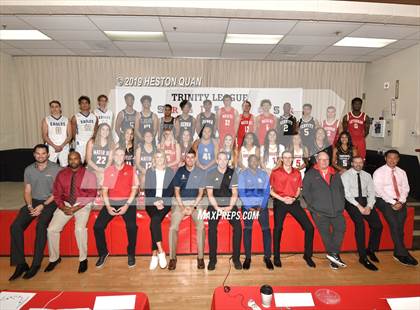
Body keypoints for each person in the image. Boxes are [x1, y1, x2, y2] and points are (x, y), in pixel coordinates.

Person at [9, 144, 61, 281]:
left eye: (43, 153)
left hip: (50, 202)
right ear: (34, 155)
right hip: (34, 201)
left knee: (41, 225)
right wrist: (30, 205)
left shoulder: (56, 169)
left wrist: (43, 206)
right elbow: (27, 191)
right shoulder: (29, 170)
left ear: (48, 155)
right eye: (38, 153)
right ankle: (21, 263)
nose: (41, 156)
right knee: (15, 227)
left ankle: (36, 263)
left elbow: (57, 193)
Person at [46, 151, 96, 274]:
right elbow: (57, 193)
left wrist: (76, 208)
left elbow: (91, 195)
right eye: (71, 159)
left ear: (81, 159)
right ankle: (54, 258)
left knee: (79, 229)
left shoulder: (89, 175)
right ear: (68, 160)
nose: (73, 161)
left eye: (76, 159)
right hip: (66, 204)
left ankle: (83, 259)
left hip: (82, 204)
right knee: (51, 229)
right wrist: (63, 207)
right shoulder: (62, 174)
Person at [94, 148, 139, 269]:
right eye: (117, 155)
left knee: (132, 227)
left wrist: (126, 205)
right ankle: (103, 253)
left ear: (125, 157)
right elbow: (104, 190)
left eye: (122, 155)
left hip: (128, 202)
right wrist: (108, 207)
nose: (119, 157)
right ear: (113, 157)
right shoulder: (108, 170)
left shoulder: (131, 170)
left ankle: (131, 253)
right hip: (112, 201)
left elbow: (135, 190)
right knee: (97, 226)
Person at [270, 150, 315, 268]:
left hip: (294, 201)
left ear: (292, 159)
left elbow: (299, 189)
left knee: (309, 227)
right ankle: (276, 257)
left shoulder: (297, 173)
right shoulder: (275, 172)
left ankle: (308, 256)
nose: (288, 159)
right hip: (280, 201)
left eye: (290, 157)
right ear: (282, 159)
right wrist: (283, 199)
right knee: (278, 228)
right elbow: (270, 191)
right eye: (285, 157)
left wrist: (294, 198)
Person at [302, 151, 346, 270]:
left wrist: (341, 204)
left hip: (336, 210)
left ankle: (333, 255)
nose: (324, 161)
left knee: (341, 229)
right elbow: (305, 192)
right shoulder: (311, 174)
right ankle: (334, 257)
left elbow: (341, 190)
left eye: (326, 159)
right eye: (322, 159)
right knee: (326, 234)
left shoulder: (335, 174)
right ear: (317, 160)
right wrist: (314, 207)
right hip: (319, 211)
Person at [373, 149, 418, 266]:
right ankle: (403, 253)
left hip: (400, 201)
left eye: (395, 158)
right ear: (385, 158)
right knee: (394, 224)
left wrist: (401, 201)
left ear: (398, 160)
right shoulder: (379, 172)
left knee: (400, 226)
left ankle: (398, 252)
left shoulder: (402, 172)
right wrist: (392, 202)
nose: (392, 160)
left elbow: (406, 188)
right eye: (390, 157)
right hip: (383, 200)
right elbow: (379, 191)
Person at [342, 156, 383, 271]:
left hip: (365, 201)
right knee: (360, 225)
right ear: (352, 163)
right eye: (356, 162)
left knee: (378, 226)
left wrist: (369, 206)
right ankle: (362, 257)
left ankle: (371, 250)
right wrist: (359, 206)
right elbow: (347, 194)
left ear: (363, 163)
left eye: (360, 162)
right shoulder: (346, 175)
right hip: (351, 202)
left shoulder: (367, 175)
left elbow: (371, 192)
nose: (358, 164)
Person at [169, 149, 206, 270]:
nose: (190, 159)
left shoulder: (200, 172)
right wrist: (183, 208)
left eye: (192, 157)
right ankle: (172, 258)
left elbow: (201, 193)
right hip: (180, 202)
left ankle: (200, 258)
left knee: (201, 227)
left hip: (196, 202)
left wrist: (193, 207)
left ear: (195, 159)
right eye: (188, 157)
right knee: (172, 228)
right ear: (185, 159)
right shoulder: (180, 171)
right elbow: (177, 192)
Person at [206, 152, 242, 271]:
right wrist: (217, 209)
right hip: (215, 204)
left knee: (238, 227)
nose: (222, 161)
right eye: (220, 159)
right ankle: (212, 259)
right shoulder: (210, 173)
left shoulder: (232, 173)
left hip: (229, 204)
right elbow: (210, 194)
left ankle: (236, 259)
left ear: (228, 161)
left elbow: (235, 193)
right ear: (217, 160)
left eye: (225, 159)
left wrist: (229, 207)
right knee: (212, 229)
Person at [238, 155, 273, 270]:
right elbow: (241, 192)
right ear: (248, 162)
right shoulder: (243, 174)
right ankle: (248, 258)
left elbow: (267, 191)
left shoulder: (263, 174)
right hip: (248, 207)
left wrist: (261, 207)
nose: (253, 162)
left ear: (258, 162)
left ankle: (267, 257)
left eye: (255, 160)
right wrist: (249, 207)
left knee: (266, 230)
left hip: (261, 207)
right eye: (251, 160)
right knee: (247, 230)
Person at [145, 150, 175, 270]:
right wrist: (154, 201)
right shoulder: (149, 171)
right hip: (151, 201)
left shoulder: (169, 171)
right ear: (154, 159)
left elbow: (170, 190)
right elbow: (148, 189)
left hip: (165, 201)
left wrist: (162, 201)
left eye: (161, 157)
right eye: (157, 157)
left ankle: (154, 255)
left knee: (154, 221)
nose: (159, 159)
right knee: (155, 220)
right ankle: (161, 251)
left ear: (164, 158)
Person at [41, 100, 72, 167]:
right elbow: (44, 135)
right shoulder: (46, 119)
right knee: (51, 166)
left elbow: (70, 135)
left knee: (64, 166)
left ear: (60, 108)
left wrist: (61, 146)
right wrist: (54, 146)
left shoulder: (66, 119)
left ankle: (64, 178)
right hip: (51, 147)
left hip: (64, 146)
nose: (54, 109)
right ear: (50, 109)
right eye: (52, 107)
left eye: (56, 107)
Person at [71, 96, 98, 163]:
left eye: (86, 103)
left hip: (91, 143)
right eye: (82, 103)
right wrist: (77, 140)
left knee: (91, 162)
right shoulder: (75, 117)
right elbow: (73, 132)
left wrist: (93, 140)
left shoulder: (94, 117)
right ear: (79, 105)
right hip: (80, 143)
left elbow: (95, 130)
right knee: (79, 162)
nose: (84, 104)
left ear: (89, 105)